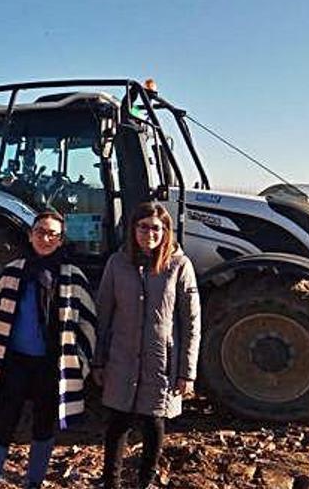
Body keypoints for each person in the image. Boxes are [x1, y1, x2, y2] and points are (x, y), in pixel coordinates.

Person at [0, 211, 97, 489]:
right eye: (41, 232)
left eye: (52, 234)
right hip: (14, 363)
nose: (46, 238)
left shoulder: (72, 277)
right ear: (31, 235)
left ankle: (34, 481)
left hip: (50, 365)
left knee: (44, 426)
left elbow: (87, 324)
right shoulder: (13, 271)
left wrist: (80, 363)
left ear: (60, 239)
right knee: (3, 423)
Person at [92, 202, 201, 489]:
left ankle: (145, 482)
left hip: (160, 360)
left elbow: (191, 323)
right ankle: (111, 483)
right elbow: (104, 315)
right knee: (118, 423)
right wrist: (99, 361)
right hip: (121, 357)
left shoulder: (179, 265)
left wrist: (187, 372)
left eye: (156, 228)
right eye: (143, 227)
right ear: (133, 229)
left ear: (166, 231)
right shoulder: (117, 263)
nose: (148, 233)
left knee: (154, 424)